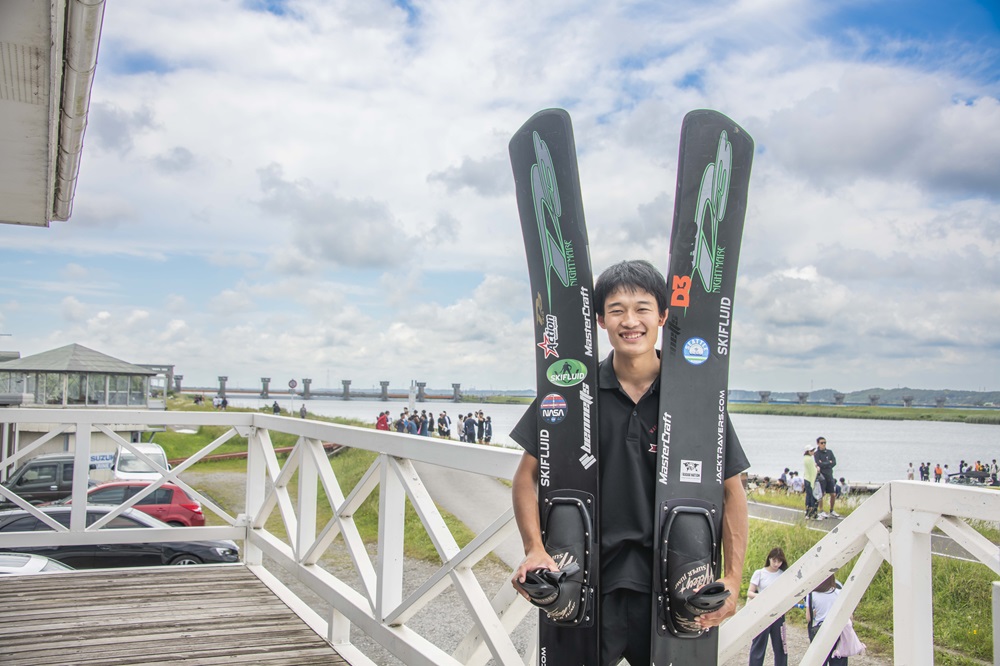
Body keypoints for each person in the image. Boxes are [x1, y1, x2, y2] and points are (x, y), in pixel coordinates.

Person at [510, 259, 750, 666]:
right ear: (601, 320)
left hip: (671, 585)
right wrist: (534, 549)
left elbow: (732, 494)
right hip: (586, 583)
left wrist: (734, 579)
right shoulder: (571, 393)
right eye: (617, 309)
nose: (630, 320)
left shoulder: (696, 398)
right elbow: (525, 478)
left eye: (642, 308)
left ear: (662, 315)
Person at [747, 547, 789, 666]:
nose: (776, 564)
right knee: (758, 646)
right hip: (761, 613)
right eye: (774, 560)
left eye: (779, 561)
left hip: (778, 614)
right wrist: (762, 597)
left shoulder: (783, 574)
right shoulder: (760, 573)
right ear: (769, 559)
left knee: (781, 646)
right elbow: (750, 592)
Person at [806, 574, 848, 666]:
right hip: (837, 632)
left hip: (819, 632)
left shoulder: (812, 594)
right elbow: (849, 616)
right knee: (838, 661)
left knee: (819, 661)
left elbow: (808, 618)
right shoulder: (839, 592)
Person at [813, 437, 839, 518]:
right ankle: (821, 510)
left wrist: (825, 463)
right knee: (822, 494)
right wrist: (828, 463)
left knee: (833, 494)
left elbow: (834, 462)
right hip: (822, 476)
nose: (823, 444)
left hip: (829, 475)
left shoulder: (829, 452)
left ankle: (831, 510)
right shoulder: (816, 453)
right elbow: (818, 464)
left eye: (825, 442)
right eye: (822, 443)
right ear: (818, 443)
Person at [802, 446, 819, 519]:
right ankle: (813, 514)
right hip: (810, 480)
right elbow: (813, 471)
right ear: (808, 451)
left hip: (806, 479)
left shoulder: (805, 458)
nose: (813, 452)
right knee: (813, 497)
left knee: (808, 496)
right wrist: (817, 468)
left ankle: (807, 513)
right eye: (811, 450)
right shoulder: (810, 459)